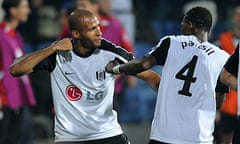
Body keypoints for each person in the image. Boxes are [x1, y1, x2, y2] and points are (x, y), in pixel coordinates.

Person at [9, 9, 160, 143]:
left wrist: (169, 95)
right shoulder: (58, 55)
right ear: (76, 33)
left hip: (107, 134)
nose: (99, 32)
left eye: (99, 26)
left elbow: (150, 77)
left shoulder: (112, 53)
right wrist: (53, 48)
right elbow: (16, 70)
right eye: (92, 29)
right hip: (70, 138)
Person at [105, 7, 229, 143]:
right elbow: (217, 103)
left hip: (164, 136)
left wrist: (116, 68)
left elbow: (142, 65)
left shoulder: (172, 43)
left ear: (190, 25)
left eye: (183, 23)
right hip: (199, 138)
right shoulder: (222, 58)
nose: (181, 26)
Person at [0, 0, 36, 144]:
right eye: (24, 7)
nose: (28, 11)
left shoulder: (16, 35)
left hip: (18, 97)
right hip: (4, 98)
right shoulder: (1, 34)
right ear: (13, 11)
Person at [213, 5, 240, 144]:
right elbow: (213, 75)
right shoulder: (220, 43)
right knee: (225, 139)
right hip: (226, 103)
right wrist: (214, 107)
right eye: (237, 14)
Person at [220, 45, 240, 144]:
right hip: (228, 107)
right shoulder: (222, 41)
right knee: (225, 137)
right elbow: (224, 77)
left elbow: (225, 77)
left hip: (233, 107)